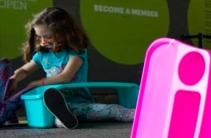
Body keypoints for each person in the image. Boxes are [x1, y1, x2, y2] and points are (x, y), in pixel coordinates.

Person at [7, 7, 135, 129]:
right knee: (53, 119)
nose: (43, 42)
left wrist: (37, 83)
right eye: (39, 37)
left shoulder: (76, 52)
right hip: (50, 107)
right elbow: (24, 70)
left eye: (48, 36)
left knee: (110, 110)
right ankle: (63, 119)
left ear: (64, 32)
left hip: (80, 103)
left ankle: (135, 114)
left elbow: (65, 76)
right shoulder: (42, 55)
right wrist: (14, 78)